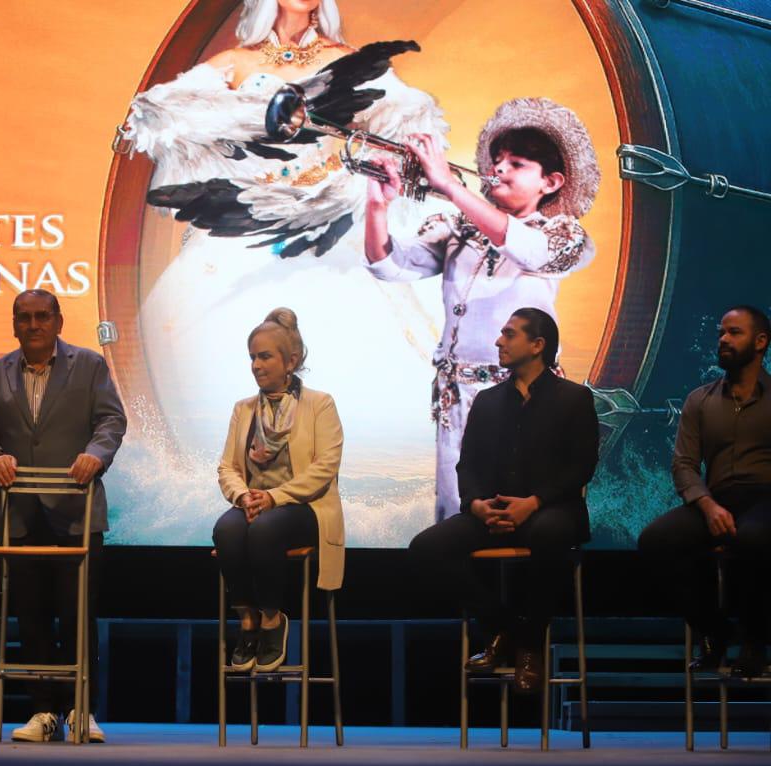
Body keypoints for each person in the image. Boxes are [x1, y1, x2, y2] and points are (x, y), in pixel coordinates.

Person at [119, 0, 449, 537]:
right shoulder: (234, 64)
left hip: (327, 225)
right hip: (250, 222)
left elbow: (411, 125)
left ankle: (363, 517)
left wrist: (366, 165)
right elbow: (158, 113)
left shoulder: (349, 60)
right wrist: (243, 127)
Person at [365, 97, 600, 521]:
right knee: (457, 511)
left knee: (520, 504)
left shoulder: (562, 234)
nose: (500, 169)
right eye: (498, 160)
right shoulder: (458, 229)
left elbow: (525, 249)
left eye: (517, 164)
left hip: (524, 395)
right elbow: (389, 265)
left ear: (551, 183)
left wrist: (450, 187)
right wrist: (378, 207)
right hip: (457, 395)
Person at [408, 309, 598, 692]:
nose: (499, 341)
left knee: (548, 535)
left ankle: (530, 646)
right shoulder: (489, 400)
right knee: (426, 548)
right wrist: (476, 504)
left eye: (509, 334)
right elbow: (468, 466)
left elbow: (581, 467)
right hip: (492, 511)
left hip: (551, 510)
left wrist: (534, 501)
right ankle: (505, 628)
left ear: (538, 345)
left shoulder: (574, 398)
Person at [0, 290, 127, 742]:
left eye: (42, 317)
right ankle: (43, 712)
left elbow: (111, 421)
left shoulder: (90, 365)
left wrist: (96, 454)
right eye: (25, 318)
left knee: (78, 615)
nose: (33, 324)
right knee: (31, 615)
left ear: (58, 322)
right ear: (14, 324)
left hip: (76, 509)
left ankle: (81, 709)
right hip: (20, 509)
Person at [638, 305, 771, 678]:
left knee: (754, 538)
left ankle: (754, 640)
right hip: (717, 497)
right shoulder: (700, 399)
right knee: (656, 541)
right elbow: (683, 465)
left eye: (734, 333)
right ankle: (714, 629)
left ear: (760, 342)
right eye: (721, 333)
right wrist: (708, 505)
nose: (724, 340)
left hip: (765, 497)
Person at [214, 308, 344, 671]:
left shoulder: (320, 404)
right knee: (226, 529)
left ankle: (273, 618)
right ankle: (247, 619)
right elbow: (227, 466)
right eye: (252, 357)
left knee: (266, 529)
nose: (256, 365)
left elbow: (324, 468)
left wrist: (273, 497)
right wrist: (243, 495)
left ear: (292, 360)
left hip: (304, 508)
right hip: (254, 503)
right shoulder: (243, 409)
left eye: (265, 356)